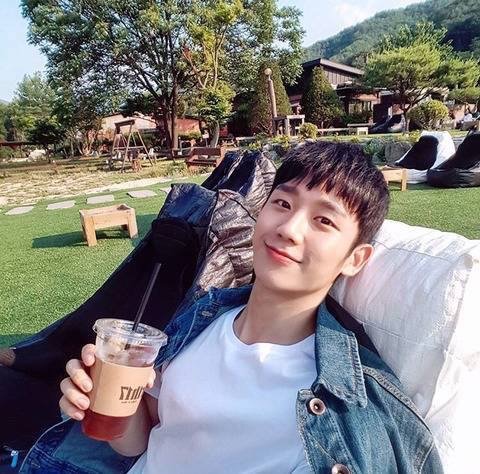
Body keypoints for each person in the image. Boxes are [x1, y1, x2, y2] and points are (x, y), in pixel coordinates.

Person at [56, 142, 443, 473]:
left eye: (323, 220)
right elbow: (146, 437)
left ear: (355, 259)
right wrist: (105, 404)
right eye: (283, 203)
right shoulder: (201, 317)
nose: (289, 228)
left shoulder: (353, 401)